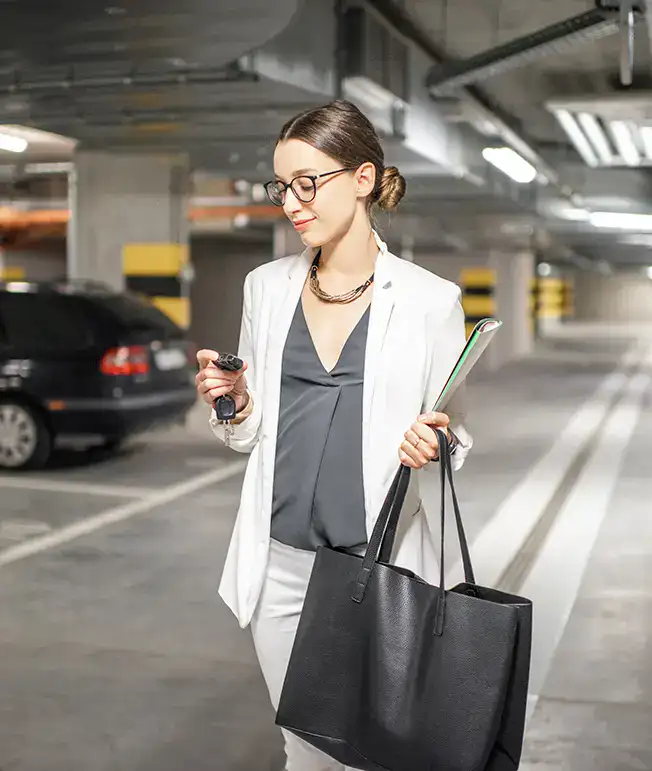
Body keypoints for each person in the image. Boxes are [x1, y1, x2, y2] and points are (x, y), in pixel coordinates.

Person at [196, 99, 473, 771]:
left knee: (369, 754)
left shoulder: (430, 300)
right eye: (282, 187)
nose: (292, 203)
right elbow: (250, 433)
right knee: (303, 747)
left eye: (308, 183)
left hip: (375, 570)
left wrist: (434, 444)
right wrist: (234, 404)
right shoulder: (266, 288)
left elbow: (453, 434)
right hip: (279, 566)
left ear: (363, 178)